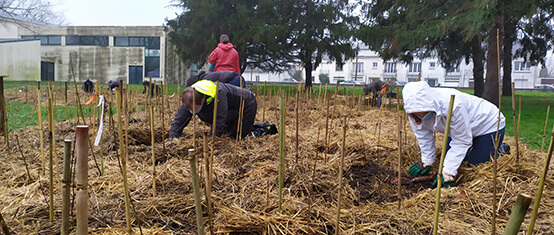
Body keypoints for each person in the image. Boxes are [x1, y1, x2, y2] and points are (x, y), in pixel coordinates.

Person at [403, 81, 508, 188]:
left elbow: (461, 140)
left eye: (425, 111)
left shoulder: (452, 105)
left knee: (475, 165)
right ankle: (482, 149)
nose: (422, 115)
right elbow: (424, 138)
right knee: (449, 161)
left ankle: (499, 150)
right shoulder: (413, 114)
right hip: (457, 130)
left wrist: (448, 173)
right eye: (418, 112)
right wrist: (427, 161)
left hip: (486, 124)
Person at [169, 80, 257, 139]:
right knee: (226, 132)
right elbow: (179, 120)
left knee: (236, 137)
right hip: (230, 107)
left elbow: (219, 120)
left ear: (203, 101)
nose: (191, 112)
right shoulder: (190, 98)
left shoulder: (219, 94)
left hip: (247, 103)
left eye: (193, 109)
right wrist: (173, 139)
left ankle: (256, 130)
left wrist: (211, 142)